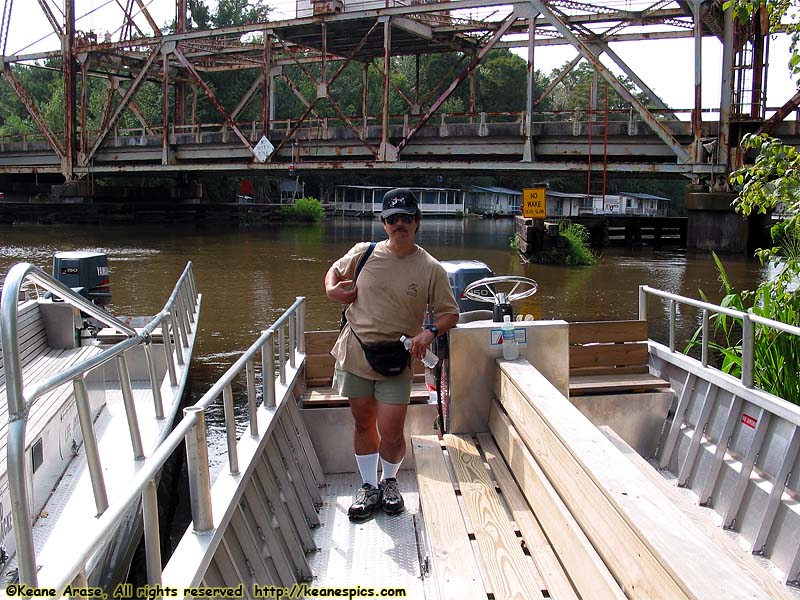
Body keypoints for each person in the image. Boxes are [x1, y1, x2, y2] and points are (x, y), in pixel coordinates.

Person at [324, 188, 459, 521]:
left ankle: (390, 481)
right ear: (384, 223)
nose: (400, 223)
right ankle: (369, 486)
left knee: (392, 429)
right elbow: (333, 273)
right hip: (355, 352)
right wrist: (331, 289)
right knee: (362, 423)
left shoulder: (430, 268)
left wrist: (428, 333)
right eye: (393, 219)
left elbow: (450, 313)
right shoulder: (363, 253)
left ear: (417, 222)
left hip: (397, 359)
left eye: (407, 218)